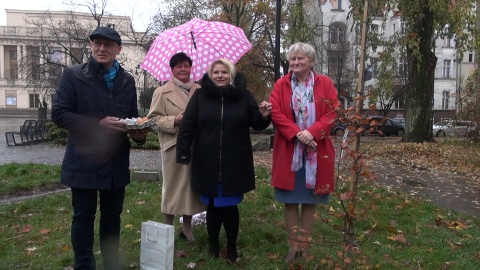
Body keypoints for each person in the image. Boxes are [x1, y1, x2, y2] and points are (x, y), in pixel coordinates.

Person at [52, 26, 149, 270]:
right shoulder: (74, 75)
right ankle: (84, 265)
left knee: (112, 217)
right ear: (92, 46)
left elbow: (131, 117)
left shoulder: (127, 80)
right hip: (83, 159)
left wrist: (138, 134)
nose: (102, 48)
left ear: (119, 49)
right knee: (83, 217)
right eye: (97, 43)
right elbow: (60, 114)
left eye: (108, 44)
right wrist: (98, 125)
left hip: (115, 161)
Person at [176, 58, 272, 264]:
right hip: (207, 161)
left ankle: (232, 246)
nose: (220, 75)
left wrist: (264, 115)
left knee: (229, 206)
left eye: (224, 72)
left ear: (231, 75)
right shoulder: (200, 96)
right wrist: (183, 152)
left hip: (234, 161)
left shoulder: (244, 96)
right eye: (216, 72)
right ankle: (212, 244)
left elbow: (256, 122)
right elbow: (187, 125)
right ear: (210, 75)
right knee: (212, 205)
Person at [269, 42, 339, 263]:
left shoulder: (325, 83)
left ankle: (304, 247)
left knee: (310, 201)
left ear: (311, 61)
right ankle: (293, 246)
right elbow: (276, 113)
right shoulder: (281, 84)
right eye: (292, 59)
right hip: (290, 151)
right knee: (290, 200)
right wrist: (298, 133)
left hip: (316, 151)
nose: (295, 62)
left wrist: (313, 132)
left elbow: (332, 111)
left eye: (300, 59)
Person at [147, 52, 206, 242]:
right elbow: (153, 120)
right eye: (178, 66)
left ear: (191, 68)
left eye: (186, 65)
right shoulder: (161, 92)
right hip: (174, 146)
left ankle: (187, 228)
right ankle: (167, 228)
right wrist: (175, 120)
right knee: (172, 187)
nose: (183, 69)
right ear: (172, 69)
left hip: (197, 145)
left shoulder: (201, 90)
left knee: (191, 188)